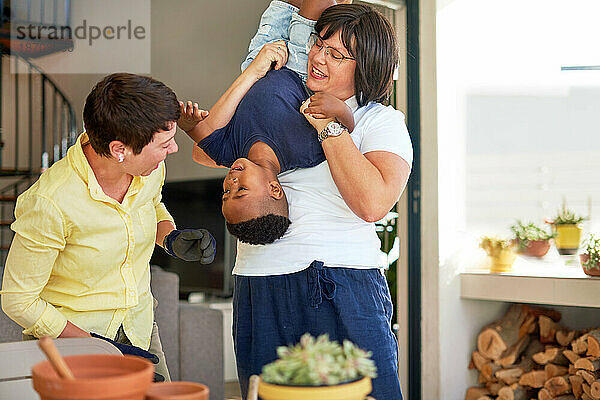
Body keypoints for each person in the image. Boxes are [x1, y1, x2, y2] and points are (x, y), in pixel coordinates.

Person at [229, 4, 413, 399]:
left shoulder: (380, 121)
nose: (317, 57)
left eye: (335, 54)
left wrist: (331, 124)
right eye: (318, 43)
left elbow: (371, 204)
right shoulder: (278, 103)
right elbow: (210, 151)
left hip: (343, 283)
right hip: (260, 284)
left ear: (364, 68)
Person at [0, 73, 216, 382]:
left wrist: (170, 237)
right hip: (73, 346)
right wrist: (100, 347)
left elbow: (151, 204)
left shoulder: (149, 167)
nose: (174, 150)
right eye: (165, 144)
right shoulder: (50, 202)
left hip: (138, 328)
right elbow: (18, 300)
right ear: (120, 149)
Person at [178, 0, 353, 245]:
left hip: (260, 58)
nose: (231, 183)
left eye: (226, 193)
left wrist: (188, 124)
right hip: (303, 66)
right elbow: (345, 127)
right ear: (274, 189)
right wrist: (341, 109)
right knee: (325, 3)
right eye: (241, 191)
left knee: (285, 3)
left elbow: (201, 133)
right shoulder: (307, 153)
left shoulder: (226, 152)